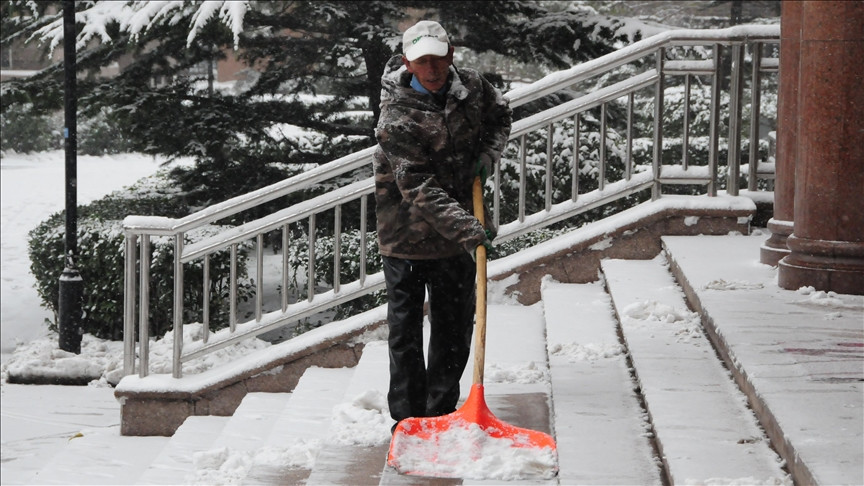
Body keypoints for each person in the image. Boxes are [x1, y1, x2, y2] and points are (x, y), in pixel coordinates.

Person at [372, 20, 512, 430]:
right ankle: (409, 420)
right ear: (407, 63)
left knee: (453, 328)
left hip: (455, 239)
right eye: (422, 61)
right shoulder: (396, 116)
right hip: (406, 238)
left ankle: (443, 413)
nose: (431, 69)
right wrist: (469, 229)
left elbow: (500, 116)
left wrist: (487, 155)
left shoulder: (472, 87)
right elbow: (417, 185)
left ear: (451, 55)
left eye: (437, 58)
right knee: (405, 331)